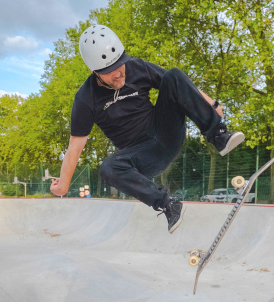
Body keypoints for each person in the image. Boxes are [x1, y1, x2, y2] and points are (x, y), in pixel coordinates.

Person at [50, 25, 245, 233]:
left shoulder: (136, 67)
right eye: (109, 72)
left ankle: (218, 135)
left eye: (120, 65)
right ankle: (168, 204)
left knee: (173, 75)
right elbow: (74, 148)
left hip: (166, 131)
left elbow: (180, 84)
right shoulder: (85, 99)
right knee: (108, 167)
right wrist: (63, 186)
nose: (118, 74)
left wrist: (213, 106)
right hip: (142, 156)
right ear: (94, 71)